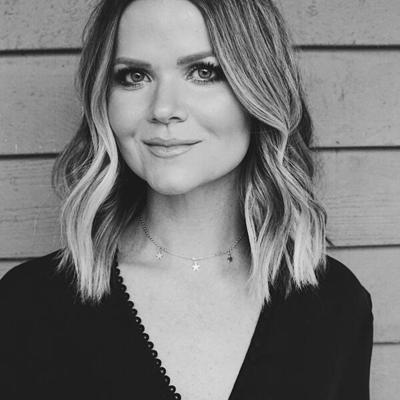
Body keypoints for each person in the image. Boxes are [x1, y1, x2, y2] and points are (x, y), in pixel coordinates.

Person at [0, 0, 373, 399]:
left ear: (260, 90)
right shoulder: (29, 304)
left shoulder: (337, 304)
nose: (163, 109)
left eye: (203, 72)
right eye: (135, 76)